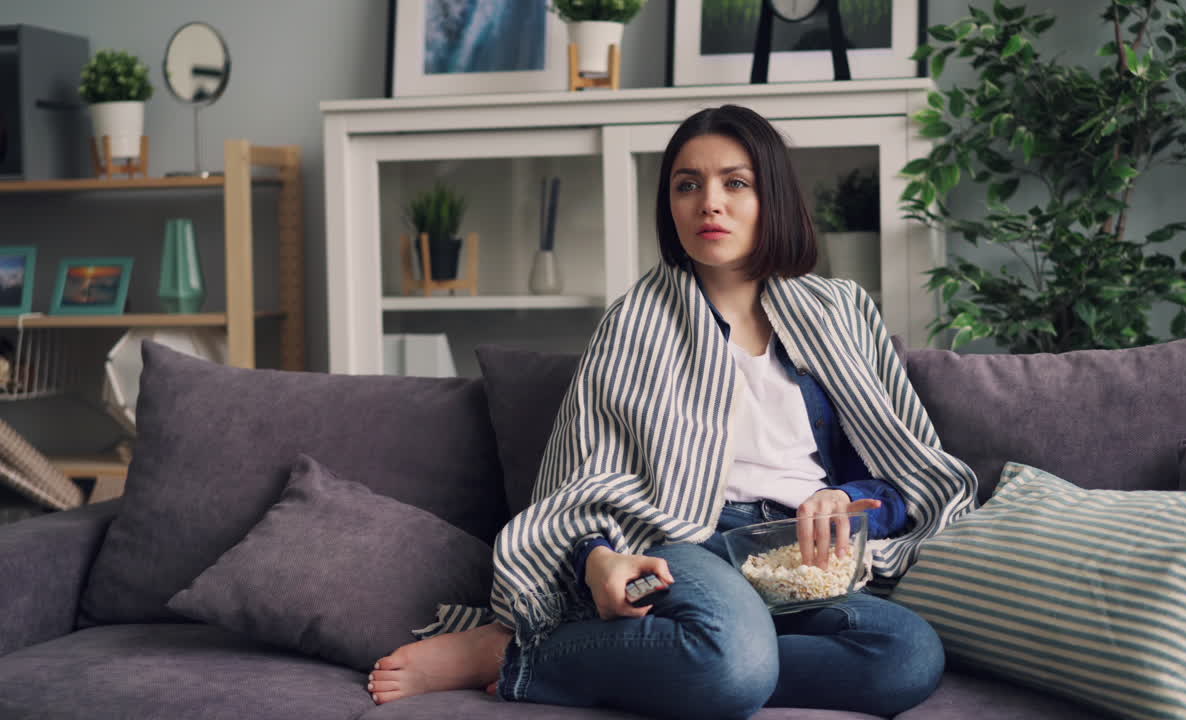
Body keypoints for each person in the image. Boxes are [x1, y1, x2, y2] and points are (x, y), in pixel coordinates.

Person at [367, 104, 977, 719]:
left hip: (801, 553)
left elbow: (906, 467)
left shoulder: (840, 309)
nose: (709, 202)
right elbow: (585, 482)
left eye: (735, 183)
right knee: (732, 665)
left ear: (774, 199)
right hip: (689, 542)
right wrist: (596, 558)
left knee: (906, 654)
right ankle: (522, 658)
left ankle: (670, 655)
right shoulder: (636, 321)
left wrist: (847, 498)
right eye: (688, 185)